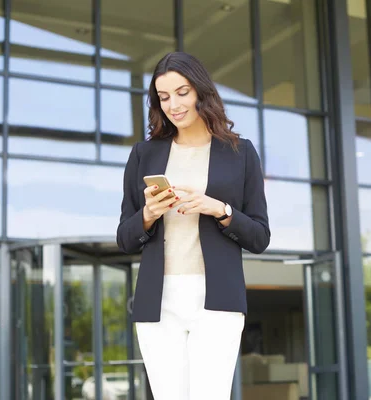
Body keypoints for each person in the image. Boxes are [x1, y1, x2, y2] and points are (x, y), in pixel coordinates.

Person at [116, 51, 270, 400]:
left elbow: (260, 236)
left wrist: (220, 209)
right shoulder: (145, 154)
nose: (174, 104)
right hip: (159, 300)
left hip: (217, 298)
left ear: (201, 91)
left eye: (182, 92)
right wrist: (149, 214)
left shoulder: (240, 152)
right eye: (164, 97)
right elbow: (125, 237)